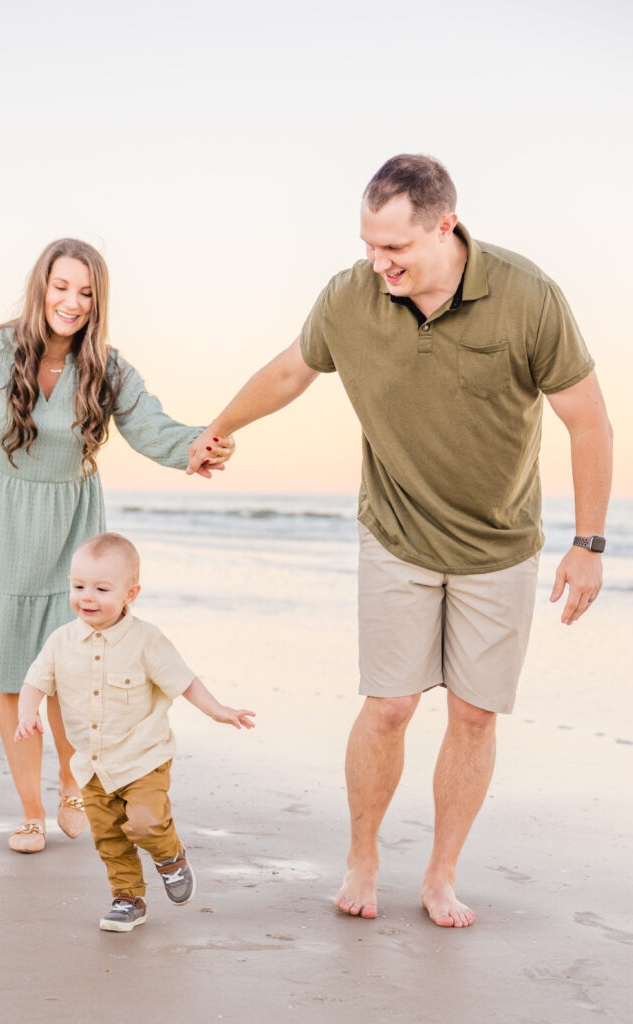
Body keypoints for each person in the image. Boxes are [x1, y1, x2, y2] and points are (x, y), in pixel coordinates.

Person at [186, 154, 613, 928]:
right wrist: (220, 428)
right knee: (388, 706)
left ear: (444, 227)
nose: (377, 262)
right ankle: (362, 854)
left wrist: (588, 543)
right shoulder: (350, 297)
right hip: (394, 533)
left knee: (475, 717)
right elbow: (290, 371)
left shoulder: (525, 296)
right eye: (367, 244)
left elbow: (586, 417)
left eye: (395, 249)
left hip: (499, 545)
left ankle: (441, 874)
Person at [0, 238, 233, 853]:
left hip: (72, 534)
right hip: (0, 533)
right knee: (17, 679)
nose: (72, 301)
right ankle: (31, 812)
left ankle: (71, 784)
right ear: (41, 286)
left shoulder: (107, 368)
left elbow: (152, 426)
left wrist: (201, 444)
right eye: (61, 286)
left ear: (98, 301)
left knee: (70, 673)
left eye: (86, 292)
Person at [14, 532, 255, 931]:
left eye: (101, 588)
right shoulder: (61, 641)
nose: (87, 597)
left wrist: (217, 711)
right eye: (78, 586)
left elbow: (184, 680)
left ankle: (170, 857)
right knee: (109, 839)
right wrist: (28, 713)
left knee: (144, 822)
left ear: (131, 593)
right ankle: (128, 899)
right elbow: (35, 681)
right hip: (92, 767)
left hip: (143, 759)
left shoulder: (146, 640)